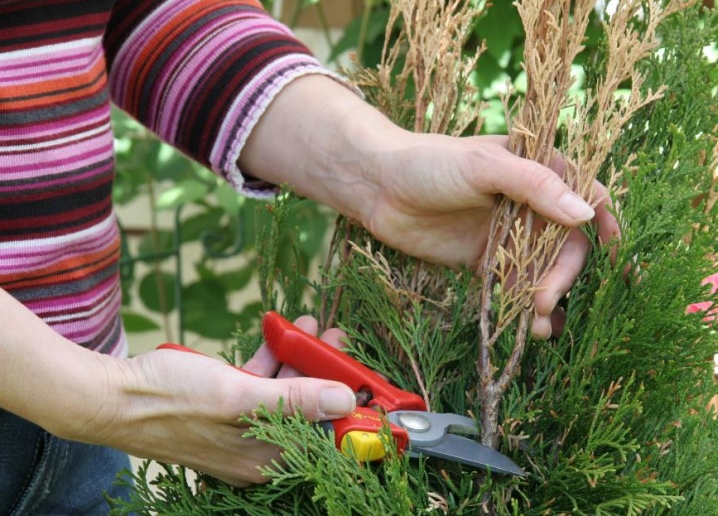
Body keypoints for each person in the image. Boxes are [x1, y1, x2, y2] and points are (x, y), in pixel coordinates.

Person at [0, 0, 620, 513]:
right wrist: (100, 400)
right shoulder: (98, 401)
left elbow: (144, 12)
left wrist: (376, 170)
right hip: (77, 400)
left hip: (76, 441)